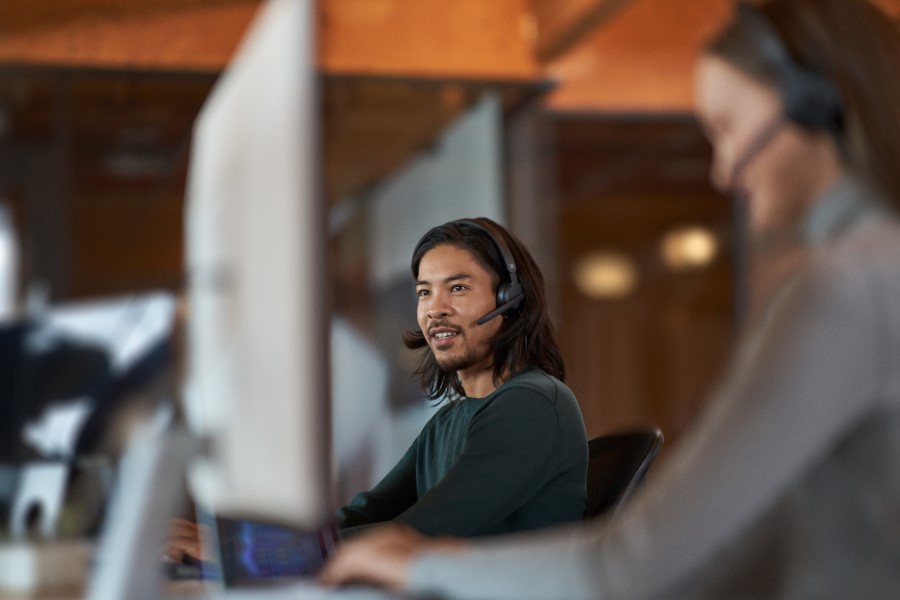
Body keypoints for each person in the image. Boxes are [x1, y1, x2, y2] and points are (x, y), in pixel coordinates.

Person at [318, 0, 900, 597]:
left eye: (727, 128)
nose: (723, 172)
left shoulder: (848, 288)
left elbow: (627, 566)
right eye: (424, 292)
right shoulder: (872, 274)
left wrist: (417, 566)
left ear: (814, 106)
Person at [167, 217, 588, 559]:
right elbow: (369, 510)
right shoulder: (451, 420)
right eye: (425, 292)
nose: (435, 308)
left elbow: (425, 529)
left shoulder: (532, 404)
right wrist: (238, 541)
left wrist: (252, 551)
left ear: (510, 300)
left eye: (458, 288)